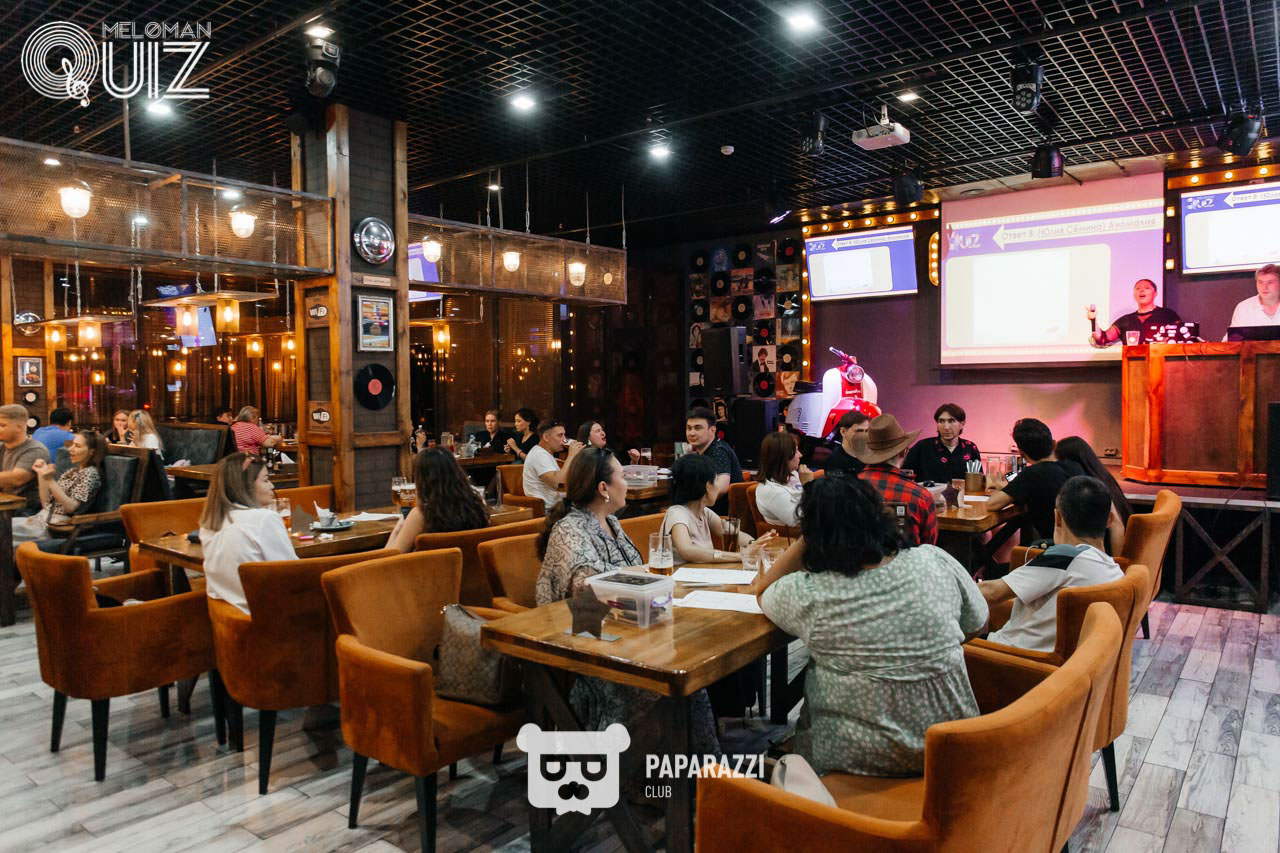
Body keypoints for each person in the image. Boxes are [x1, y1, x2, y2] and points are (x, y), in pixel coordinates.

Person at [754, 475, 988, 776]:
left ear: (813, 535)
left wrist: (810, 535)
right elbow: (977, 623)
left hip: (855, 766)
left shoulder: (810, 593)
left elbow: (762, 590)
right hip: (952, 754)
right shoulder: (933, 560)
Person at [535, 447, 719, 790]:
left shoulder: (612, 523)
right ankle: (646, 781)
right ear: (603, 488)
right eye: (623, 476)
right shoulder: (569, 529)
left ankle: (695, 785)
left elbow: (635, 575)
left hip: (629, 631)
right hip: (584, 644)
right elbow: (587, 588)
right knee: (677, 685)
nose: (628, 482)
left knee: (691, 678)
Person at [979, 476, 1124, 652]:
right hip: (1064, 662)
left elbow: (990, 592)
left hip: (1008, 657)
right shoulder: (1116, 572)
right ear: (1109, 520)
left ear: (1058, 518)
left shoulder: (1064, 559)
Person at [199, 452, 298, 614]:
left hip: (228, 618)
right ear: (247, 486)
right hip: (267, 619)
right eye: (266, 480)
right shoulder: (263, 519)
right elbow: (292, 574)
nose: (272, 486)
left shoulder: (209, 524)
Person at [988, 418, 1085, 542]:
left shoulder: (1032, 473)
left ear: (1021, 453)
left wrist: (1003, 490)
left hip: (1056, 545)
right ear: (1053, 444)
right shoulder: (1074, 465)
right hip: (1085, 545)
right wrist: (1010, 489)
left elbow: (993, 504)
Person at [661, 453, 767, 563]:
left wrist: (755, 545)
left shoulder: (704, 512)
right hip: (679, 573)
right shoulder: (678, 514)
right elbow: (687, 551)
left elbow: (735, 534)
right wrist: (740, 556)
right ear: (708, 486)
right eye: (716, 480)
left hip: (701, 571)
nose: (718, 486)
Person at [853, 414, 938, 546]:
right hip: (906, 559)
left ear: (869, 452)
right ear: (904, 452)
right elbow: (929, 546)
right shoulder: (920, 496)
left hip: (857, 558)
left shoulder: (847, 488)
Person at [386, 448, 490, 552]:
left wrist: (399, 526)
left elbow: (391, 556)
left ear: (422, 480)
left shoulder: (421, 515)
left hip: (434, 563)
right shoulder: (478, 505)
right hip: (469, 562)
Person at [13, 431, 105, 545]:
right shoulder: (71, 472)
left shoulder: (91, 474)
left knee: (4, 532)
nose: (70, 449)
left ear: (92, 452)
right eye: (72, 444)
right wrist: (41, 474)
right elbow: (46, 504)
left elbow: (71, 507)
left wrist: (49, 480)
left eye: (77, 446)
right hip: (41, 519)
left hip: (55, 527)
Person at [1053, 436, 1130, 555]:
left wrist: (1116, 562)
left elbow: (1116, 524)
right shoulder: (1102, 476)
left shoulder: (1091, 488)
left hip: (1104, 553)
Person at [903, 403, 981, 484]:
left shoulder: (970, 448)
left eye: (951, 421)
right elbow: (904, 477)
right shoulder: (922, 447)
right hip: (928, 492)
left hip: (964, 492)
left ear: (962, 424)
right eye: (941, 421)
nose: (946, 427)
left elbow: (979, 481)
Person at [1089, 278, 1182, 347]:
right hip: (1133, 364)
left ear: (1155, 294)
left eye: (1147, 288)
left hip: (1162, 363)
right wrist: (1093, 320)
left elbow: (1181, 338)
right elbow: (1102, 339)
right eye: (1138, 288)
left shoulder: (1168, 314)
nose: (1141, 290)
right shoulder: (1125, 320)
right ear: (1134, 295)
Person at [685, 406, 742, 514]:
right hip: (706, 513)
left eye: (698, 428)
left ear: (712, 430)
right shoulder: (700, 453)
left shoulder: (718, 450)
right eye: (689, 428)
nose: (691, 433)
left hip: (723, 516)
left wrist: (694, 506)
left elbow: (721, 488)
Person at [0, 405, 50, 515]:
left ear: (19, 427)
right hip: (4, 507)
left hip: (25, 512)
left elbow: (17, 479)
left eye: (2, 425)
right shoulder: (2, 447)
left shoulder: (35, 450)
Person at [755, 431, 812, 528]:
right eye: (796, 451)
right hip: (795, 535)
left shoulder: (793, 474)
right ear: (785, 457)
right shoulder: (770, 490)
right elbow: (803, 520)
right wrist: (809, 485)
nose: (800, 455)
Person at [522, 420, 583, 510]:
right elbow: (558, 484)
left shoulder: (545, 454)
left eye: (564, 435)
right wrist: (571, 456)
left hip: (558, 506)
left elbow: (562, 487)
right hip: (549, 510)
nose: (564, 439)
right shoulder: (539, 455)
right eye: (560, 435)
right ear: (546, 437)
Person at [1226, 263, 1280, 332]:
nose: (1264, 287)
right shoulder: (1244, 307)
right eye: (1260, 282)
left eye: (1270, 282)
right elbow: (1233, 337)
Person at [822, 410, 870, 475]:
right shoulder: (835, 460)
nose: (864, 435)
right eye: (859, 431)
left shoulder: (870, 456)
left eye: (866, 431)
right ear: (843, 432)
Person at [576, 420, 640, 464]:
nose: (603, 433)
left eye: (602, 430)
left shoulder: (609, 454)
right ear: (588, 438)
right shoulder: (582, 459)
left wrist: (634, 461)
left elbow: (622, 474)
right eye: (598, 431)